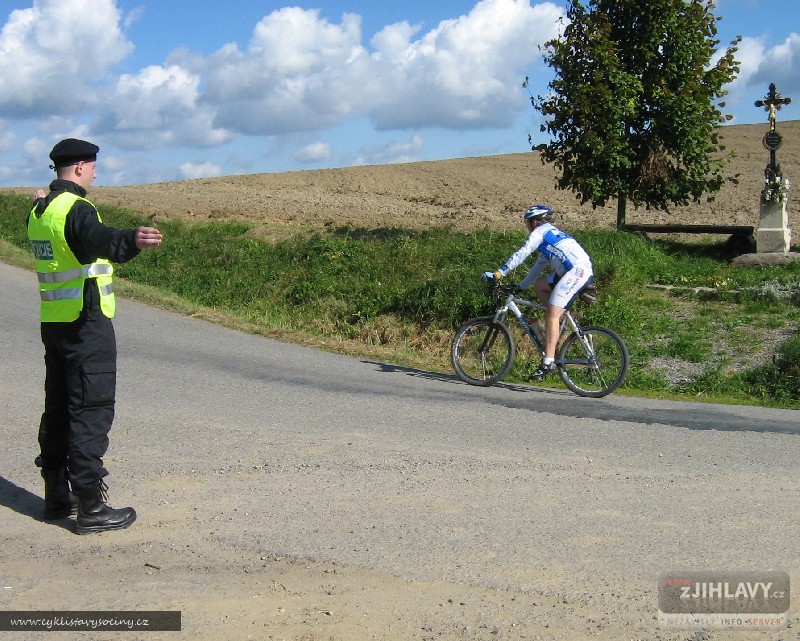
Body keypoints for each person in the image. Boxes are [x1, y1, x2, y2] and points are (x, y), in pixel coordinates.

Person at [27, 138, 163, 533]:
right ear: (82, 166)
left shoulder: (41, 209)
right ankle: (91, 507)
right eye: (94, 166)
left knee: (58, 406)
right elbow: (98, 240)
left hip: (55, 322)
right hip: (87, 323)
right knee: (90, 407)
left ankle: (56, 494)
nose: (96, 173)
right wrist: (132, 240)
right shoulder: (77, 208)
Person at [483, 204, 594, 379]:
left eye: (527, 223)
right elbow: (536, 269)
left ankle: (547, 363)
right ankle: (558, 322)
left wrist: (499, 273)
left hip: (575, 272)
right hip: (576, 271)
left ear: (535, 222)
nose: (526, 227)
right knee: (540, 285)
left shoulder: (539, 233)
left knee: (551, 315)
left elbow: (522, 253)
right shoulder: (549, 237)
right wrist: (521, 286)